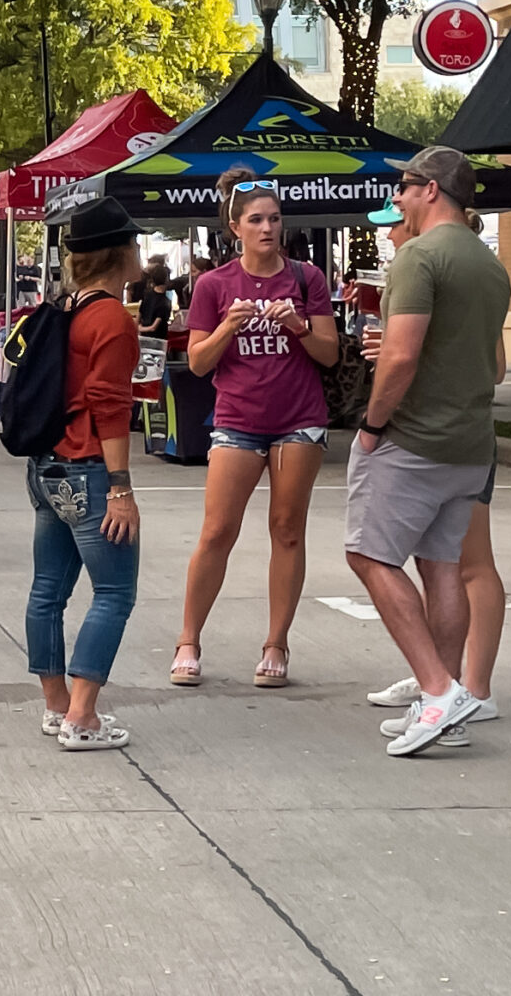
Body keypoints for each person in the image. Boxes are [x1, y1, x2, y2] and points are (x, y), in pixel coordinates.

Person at [344, 147, 511, 757]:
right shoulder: (490, 266)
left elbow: (403, 355)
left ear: (432, 189)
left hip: (414, 438)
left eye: (404, 189)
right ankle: (445, 705)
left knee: (368, 554)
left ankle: (439, 690)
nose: (398, 200)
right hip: (472, 441)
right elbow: (492, 365)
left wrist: (371, 423)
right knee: (441, 566)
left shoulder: (418, 258)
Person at [170, 172, 341, 692]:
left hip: (299, 420)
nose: (268, 228)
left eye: (275, 219)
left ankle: (276, 643)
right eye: (257, 220)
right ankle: (188, 640)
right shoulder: (214, 285)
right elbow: (197, 363)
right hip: (238, 421)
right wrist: (228, 326)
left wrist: (298, 327)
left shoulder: (307, 278)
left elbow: (330, 354)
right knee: (218, 530)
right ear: (235, 228)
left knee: (287, 528)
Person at [25, 197, 144, 751]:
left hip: (47, 468)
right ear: (121, 254)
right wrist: (121, 488)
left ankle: (55, 705)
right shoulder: (112, 319)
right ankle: (83, 717)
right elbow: (110, 406)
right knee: (114, 593)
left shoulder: (63, 310)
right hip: (90, 470)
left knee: (48, 589)